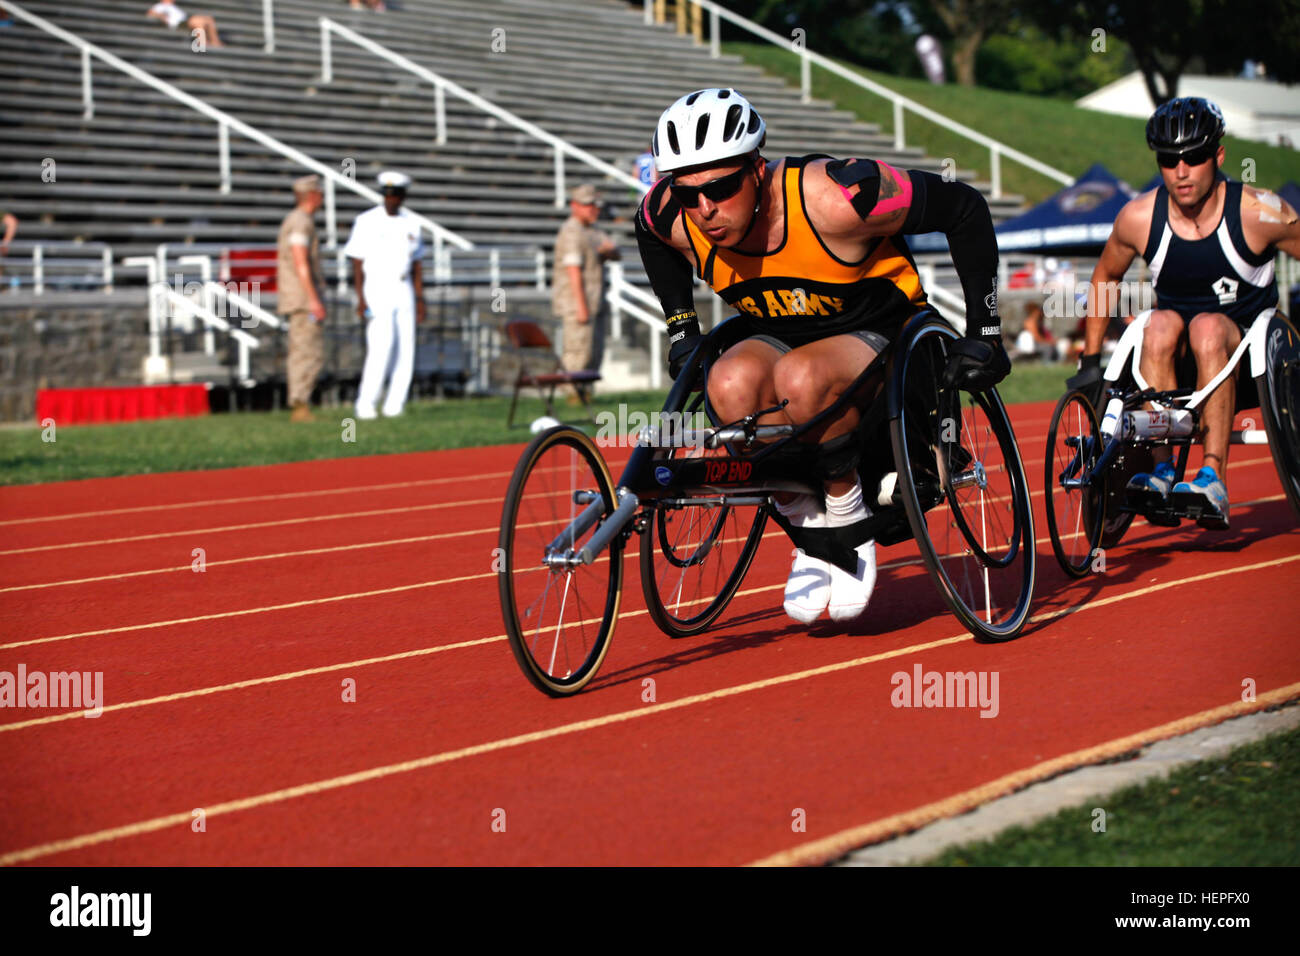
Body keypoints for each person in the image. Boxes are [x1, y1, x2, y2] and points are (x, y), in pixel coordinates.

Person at [636, 87, 1010, 625]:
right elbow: (647, 231)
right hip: (781, 329)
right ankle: (809, 527)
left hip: (883, 330)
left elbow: (965, 207)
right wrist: (682, 329)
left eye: (720, 188)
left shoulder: (840, 196)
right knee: (727, 382)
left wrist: (987, 330)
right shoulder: (672, 214)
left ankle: (846, 513)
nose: (704, 209)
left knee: (802, 376)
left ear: (756, 171)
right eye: (687, 193)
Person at [1071, 97, 1300, 529]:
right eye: (1169, 160)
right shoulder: (1139, 217)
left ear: (1218, 155)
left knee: (1208, 327)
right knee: (1155, 323)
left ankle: (1212, 476)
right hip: (1175, 367)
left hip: (1247, 366)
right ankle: (1161, 472)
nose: (1181, 171)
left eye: (1194, 158)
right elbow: (1104, 278)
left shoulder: (1258, 212)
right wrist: (1089, 362)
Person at [344, 171, 427, 420]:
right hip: (377, 286)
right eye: (388, 195)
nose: (391, 200)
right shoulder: (366, 221)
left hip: (404, 287)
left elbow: (418, 263)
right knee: (381, 345)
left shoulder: (412, 223)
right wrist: (360, 297)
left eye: (396, 195)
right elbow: (357, 262)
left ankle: (395, 404)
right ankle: (366, 403)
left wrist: (421, 298)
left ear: (403, 196)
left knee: (405, 347)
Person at [552, 182, 620, 402]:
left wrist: (610, 252)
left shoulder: (593, 230)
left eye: (595, 205)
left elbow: (615, 252)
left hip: (595, 300)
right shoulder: (571, 231)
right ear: (575, 205)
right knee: (577, 352)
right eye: (588, 205)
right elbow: (573, 271)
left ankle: (586, 394)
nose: (594, 209)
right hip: (577, 303)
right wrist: (581, 306)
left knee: (594, 352)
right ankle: (572, 395)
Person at [277, 175, 327, 423]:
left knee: (305, 350)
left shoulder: (298, 220)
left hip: (299, 296)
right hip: (302, 298)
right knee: (307, 351)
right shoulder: (300, 222)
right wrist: (313, 299)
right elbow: (301, 262)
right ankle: (300, 403)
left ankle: (301, 402)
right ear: (313, 195)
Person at [146, 0, 223, 48]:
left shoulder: (173, 7)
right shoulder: (161, 6)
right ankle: (202, 42)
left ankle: (215, 42)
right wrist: (162, 16)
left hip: (185, 22)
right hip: (178, 24)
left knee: (208, 19)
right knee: (196, 21)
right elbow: (150, 13)